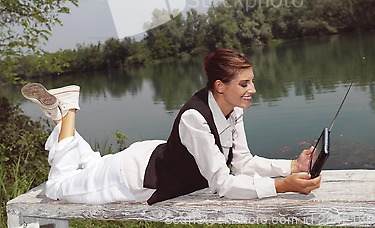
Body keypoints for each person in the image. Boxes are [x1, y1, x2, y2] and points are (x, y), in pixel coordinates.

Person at [21, 48, 321, 205]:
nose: (252, 88)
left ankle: (59, 118)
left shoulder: (233, 110)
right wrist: (281, 186)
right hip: (132, 178)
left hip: (149, 157)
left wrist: (292, 166)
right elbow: (223, 184)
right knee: (57, 188)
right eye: (244, 83)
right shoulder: (196, 117)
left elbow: (242, 162)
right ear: (220, 86)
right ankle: (69, 109)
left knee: (90, 165)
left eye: (252, 81)